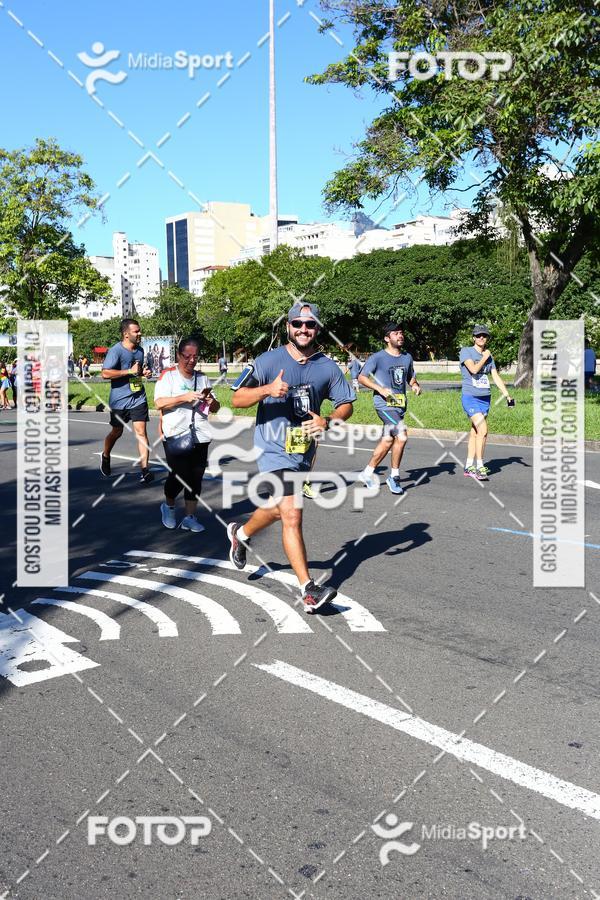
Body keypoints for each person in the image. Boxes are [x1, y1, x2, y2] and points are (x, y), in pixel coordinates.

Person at [227, 302, 355, 613]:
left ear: (317, 329)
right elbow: (236, 398)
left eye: (309, 325)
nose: (303, 329)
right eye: (297, 323)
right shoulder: (268, 361)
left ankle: (240, 534)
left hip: (303, 451)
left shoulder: (327, 367)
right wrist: (266, 390)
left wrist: (328, 420)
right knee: (293, 513)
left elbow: (346, 404)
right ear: (288, 327)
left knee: (278, 511)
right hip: (271, 448)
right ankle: (308, 590)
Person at [154, 337, 220, 531]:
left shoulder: (202, 378)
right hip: (176, 433)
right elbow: (159, 402)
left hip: (200, 433)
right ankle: (169, 506)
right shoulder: (169, 376)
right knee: (179, 475)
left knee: (196, 477)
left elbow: (215, 407)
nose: (191, 360)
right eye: (187, 356)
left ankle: (190, 517)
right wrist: (184, 397)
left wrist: (210, 401)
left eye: (195, 357)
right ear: (178, 355)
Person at [357, 323, 421, 495]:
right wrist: (379, 389)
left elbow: (410, 378)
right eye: (396, 333)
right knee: (402, 435)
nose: (400, 336)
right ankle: (394, 476)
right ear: (387, 338)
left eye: (401, 333)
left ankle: (367, 473)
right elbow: (361, 377)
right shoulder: (378, 358)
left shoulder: (407, 357)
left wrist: (415, 385)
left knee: (387, 441)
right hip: (383, 405)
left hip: (399, 406)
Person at [100, 318, 154, 483]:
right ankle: (106, 455)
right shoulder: (115, 351)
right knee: (117, 432)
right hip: (119, 400)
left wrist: (144, 373)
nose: (140, 333)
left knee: (141, 432)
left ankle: (145, 470)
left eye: (139, 330)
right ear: (126, 334)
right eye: (136, 331)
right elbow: (105, 374)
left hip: (138, 398)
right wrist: (128, 371)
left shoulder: (140, 351)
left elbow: (136, 372)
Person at [460, 325, 513, 481]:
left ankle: (469, 466)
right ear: (473, 338)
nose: (481, 338)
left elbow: (495, 376)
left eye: (484, 335)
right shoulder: (466, 352)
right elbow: (474, 370)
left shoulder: (489, 357)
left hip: (485, 399)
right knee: (483, 430)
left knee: (475, 432)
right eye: (478, 336)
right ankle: (480, 466)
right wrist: (485, 356)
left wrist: (506, 394)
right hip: (470, 397)